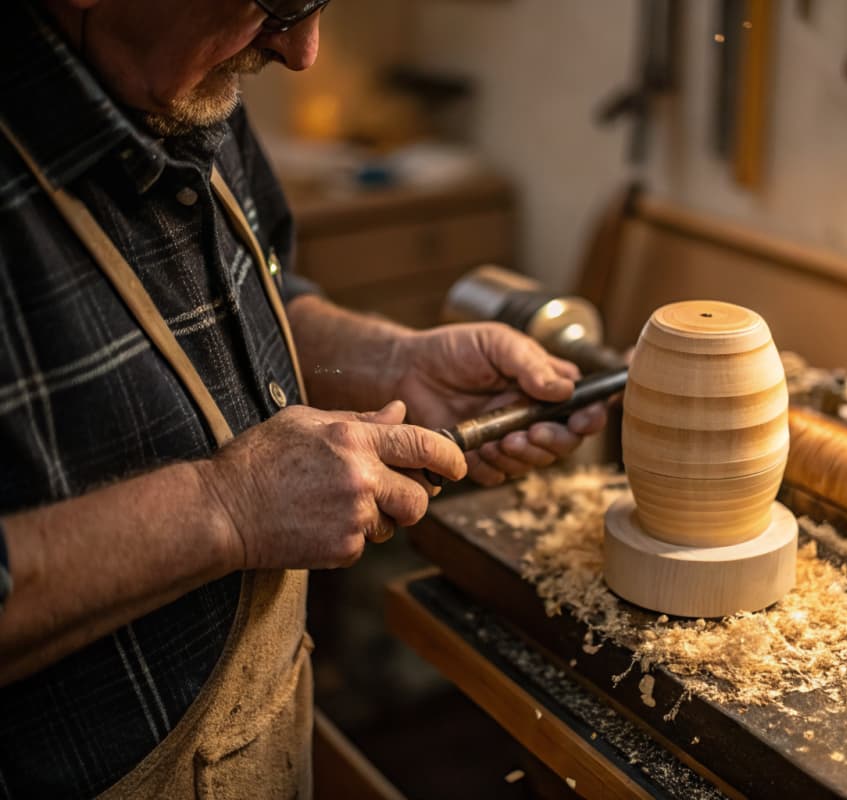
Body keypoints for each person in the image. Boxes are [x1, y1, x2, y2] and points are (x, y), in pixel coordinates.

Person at [0, 0, 608, 796]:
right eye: (274, 5)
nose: (303, 52)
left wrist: (391, 362)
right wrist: (228, 509)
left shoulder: (186, 79)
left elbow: (262, 297)